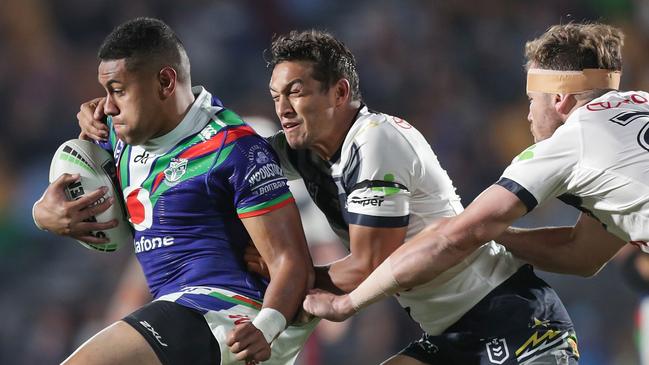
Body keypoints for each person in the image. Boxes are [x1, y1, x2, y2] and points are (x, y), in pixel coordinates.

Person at [79, 30, 579, 364]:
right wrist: (107, 129)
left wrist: (293, 277)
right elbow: (215, 148)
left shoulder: (375, 140)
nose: (284, 108)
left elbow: (367, 267)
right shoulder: (307, 151)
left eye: (296, 92)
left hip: (512, 317)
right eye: (277, 96)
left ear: (340, 94)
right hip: (448, 329)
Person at [302, 20, 648, 348]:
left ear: (560, 99)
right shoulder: (637, 112)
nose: (528, 115)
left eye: (532, 100)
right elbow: (583, 253)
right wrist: (496, 235)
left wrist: (349, 302)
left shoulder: (570, 141)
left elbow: (451, 239)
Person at [32, 17, 316, 365]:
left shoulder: (234, 149)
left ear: (165, 82)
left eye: (117, 91)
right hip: (180, 317)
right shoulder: (119, 133)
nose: (106, 106)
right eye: (105, 91)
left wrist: (267, 328)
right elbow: (75, 173)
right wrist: (43, 215)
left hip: (229, 315)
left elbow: (292, 261)